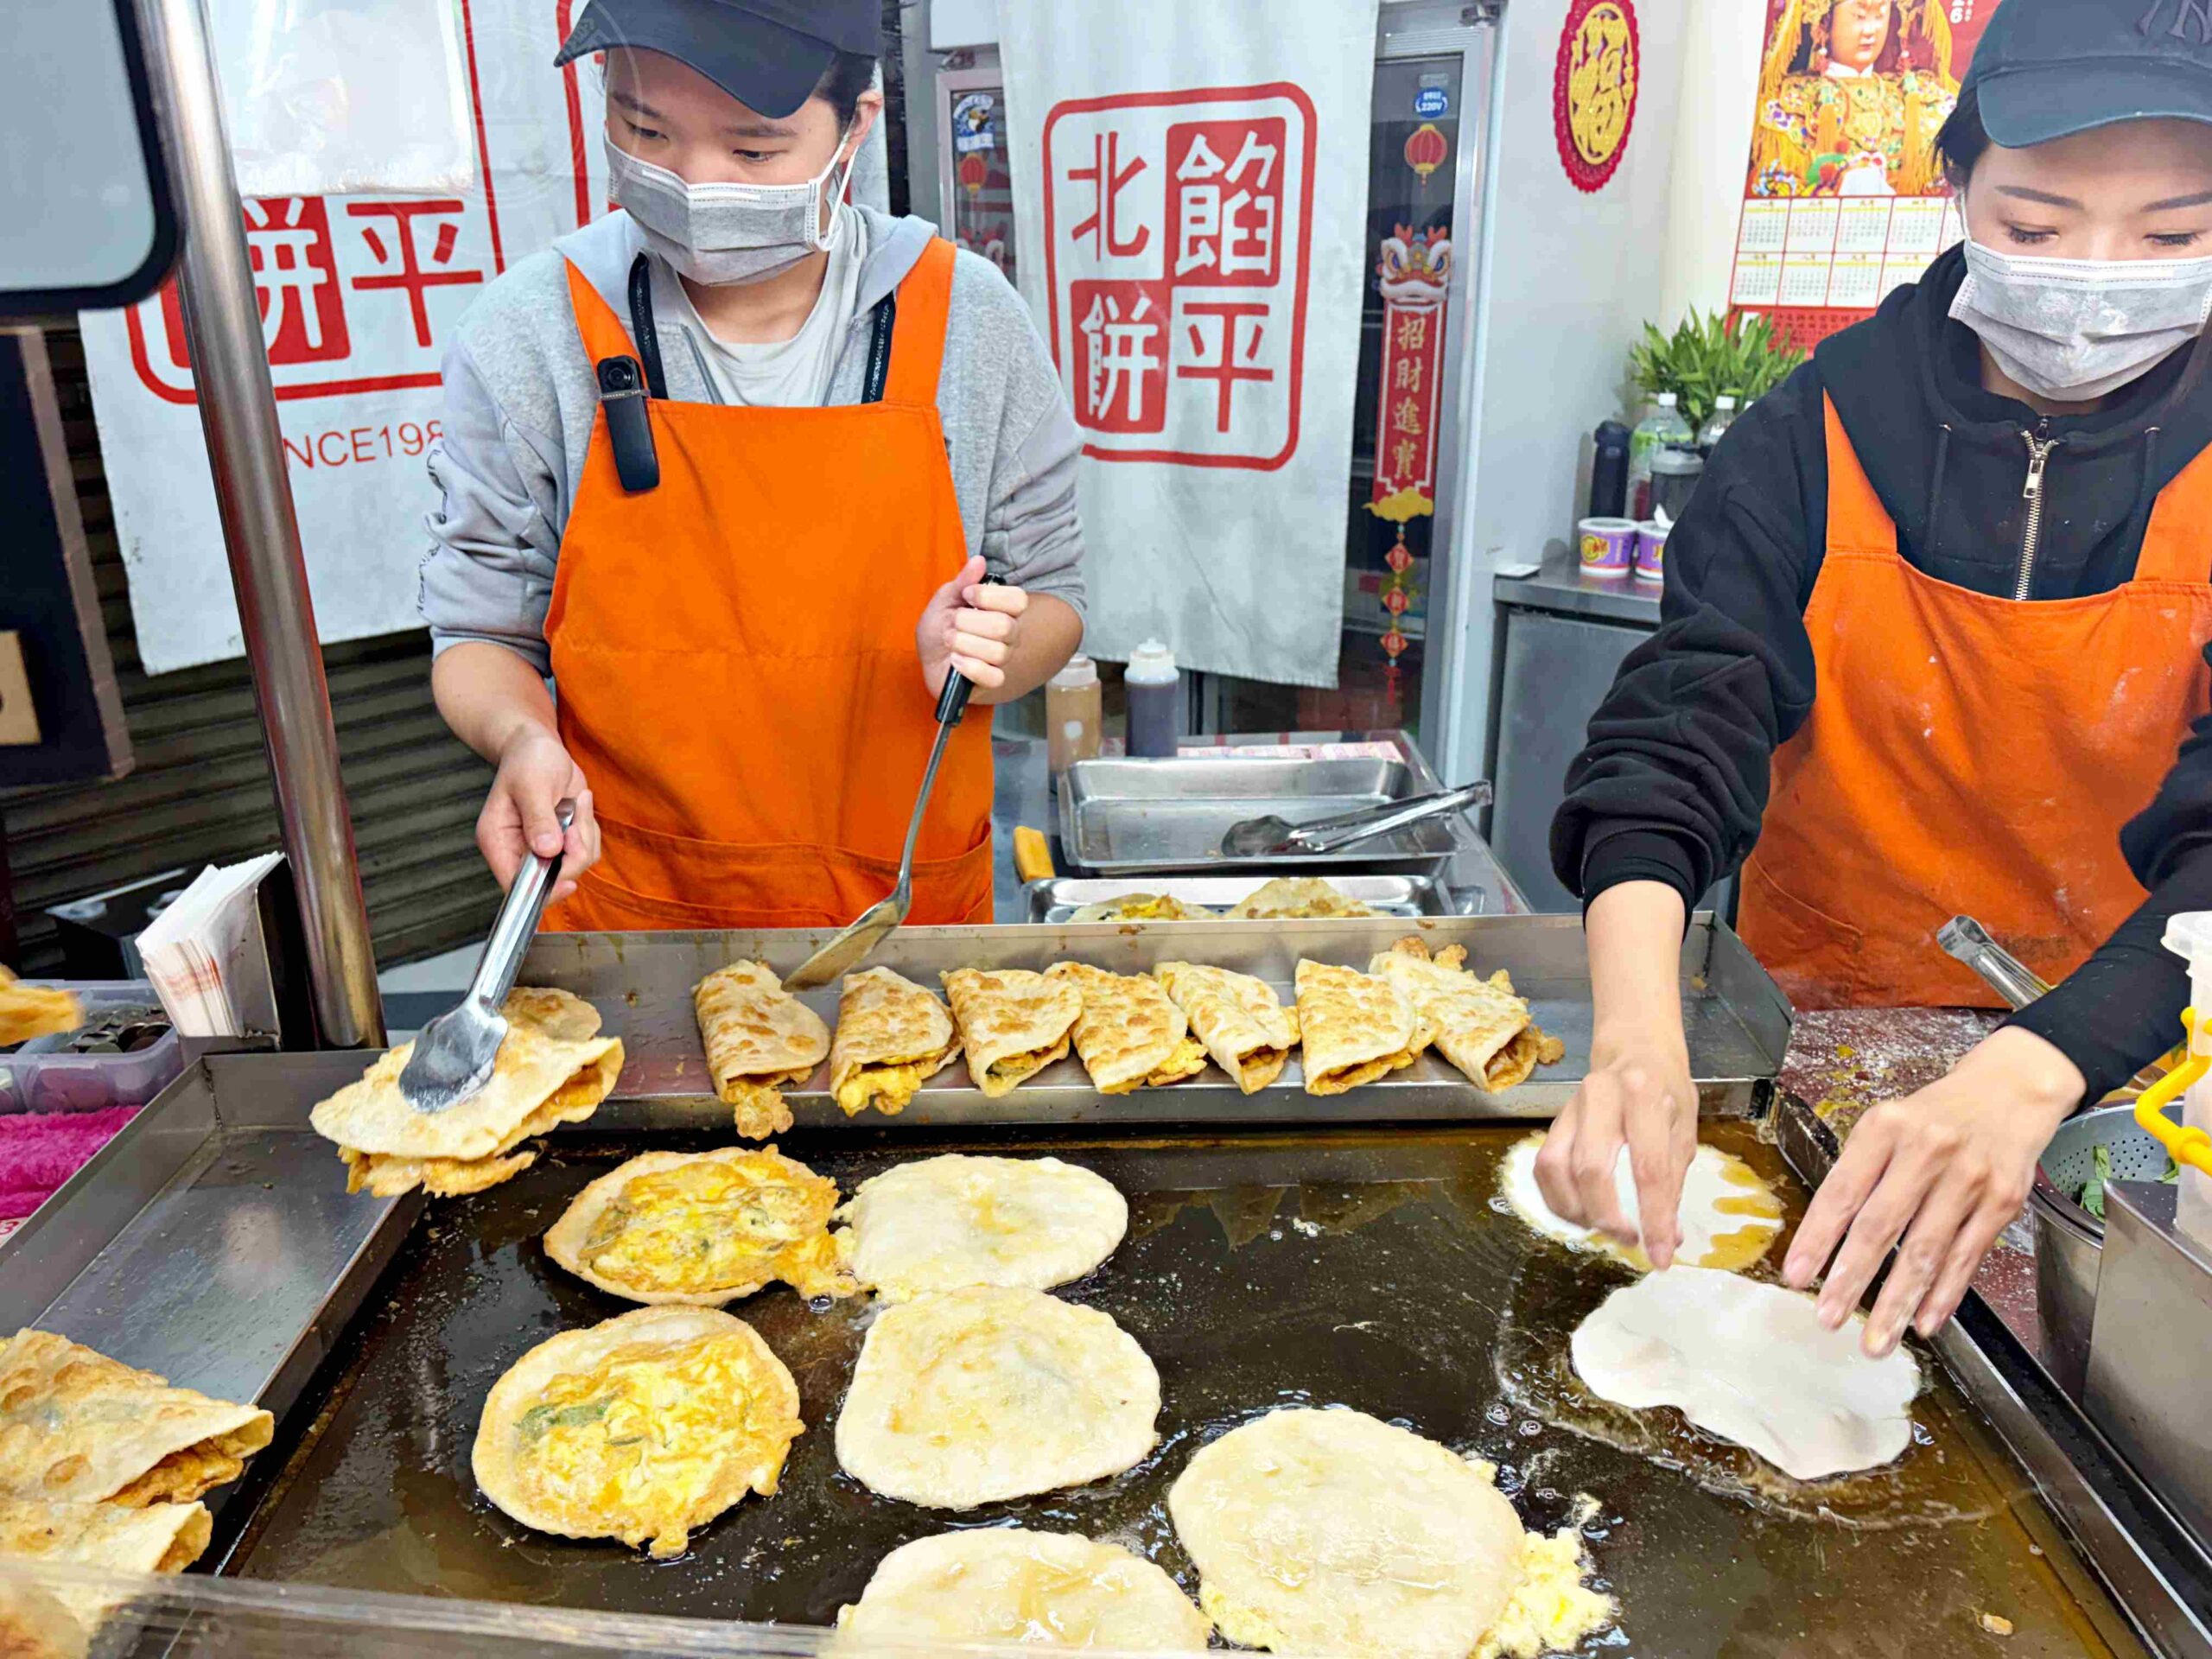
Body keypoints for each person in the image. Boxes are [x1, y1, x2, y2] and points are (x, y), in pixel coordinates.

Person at [1542, 0, 2212, 1358]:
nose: (2094, 279)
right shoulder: (1816, 424)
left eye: (2172, 236)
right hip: (1824, 1041)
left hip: (2130, 1074)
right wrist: (1637, 1033)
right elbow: (1683, 724)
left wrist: (2038, 1066)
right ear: (1956, 183)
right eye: (2036, 225)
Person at [419, 0, 1084, 931]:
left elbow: (1052, 595)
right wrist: (522, 736)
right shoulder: (532, 331)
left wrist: (988, 657)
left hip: (903, 912)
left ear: (855, 125)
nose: (695, 181)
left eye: (754, 149)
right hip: (632, 917)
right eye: (645, 130)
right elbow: (481, 631)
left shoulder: (969, 321)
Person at [1750, 0, 1956, 197]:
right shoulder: (1794, 100)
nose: (1870, 30)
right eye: (1859, 16)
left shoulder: (1916, 97)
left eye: (1880, 16)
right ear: (1826, 22)